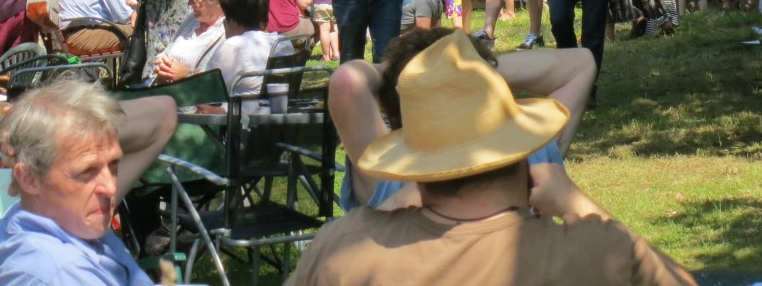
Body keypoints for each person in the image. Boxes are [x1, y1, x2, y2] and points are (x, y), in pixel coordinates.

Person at [292, 30, 695, 286]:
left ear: (411, 157)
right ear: (523, 144)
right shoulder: (600, 252)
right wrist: (576, 201)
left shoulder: (345, 250)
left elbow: (346, 80)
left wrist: (418, 79)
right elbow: (579, 63)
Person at [330, 26, 595, 214]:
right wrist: (474, 68)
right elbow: (581, 63)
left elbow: (348, 82)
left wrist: (398, 73)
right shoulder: (534, 150)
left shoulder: (390, 177)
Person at [0, 79, 175, 285]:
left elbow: (164, 114)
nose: (110, 188)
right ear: (29, 178)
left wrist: (33, 134)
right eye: (87, 172)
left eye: (113, 165)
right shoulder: (62, 272)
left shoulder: (51, 218)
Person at [204, 0, 295, 96]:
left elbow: (208, 91)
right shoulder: (283, 42)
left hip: (240, 113)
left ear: (230, 18)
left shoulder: (234, 47)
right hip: (277, 111)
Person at [149, 0, 231, 84]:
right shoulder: (192, 20)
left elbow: (222, 78)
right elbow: (167, 52)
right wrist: (162, 64)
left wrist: (188, 74)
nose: (189, 3)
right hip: (168, 93)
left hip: (196, 99)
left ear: (217, 0)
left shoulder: (228, 31)